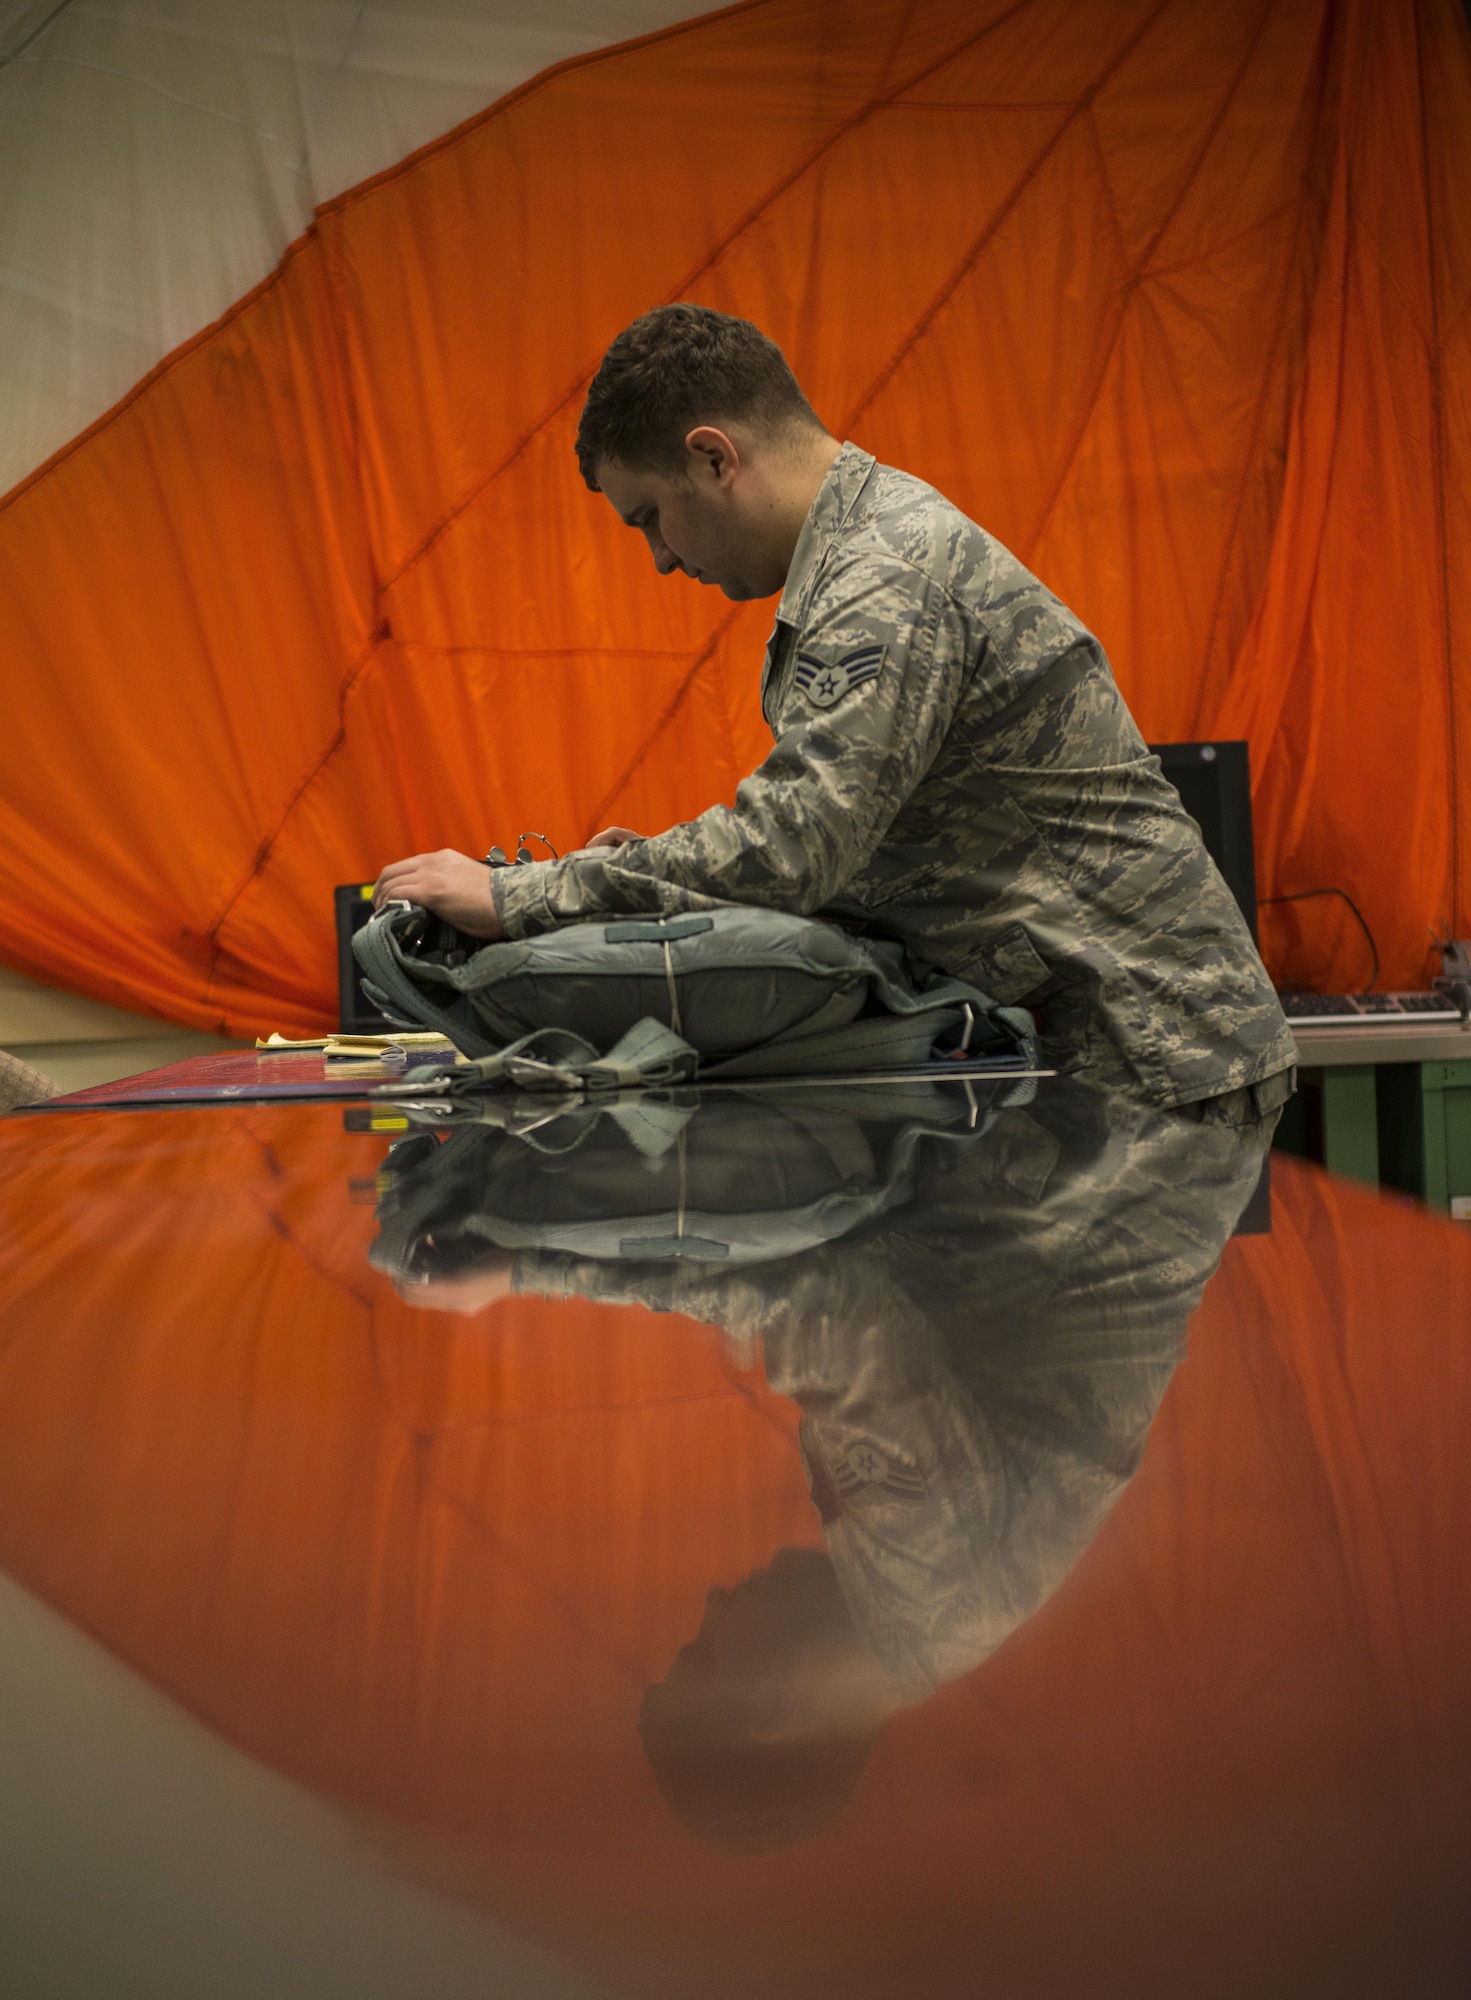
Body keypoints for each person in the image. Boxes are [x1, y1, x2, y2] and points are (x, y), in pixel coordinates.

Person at [373, 305, 1296, 1108]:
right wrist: (629, 882)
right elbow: (868, 854)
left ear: (711, 456)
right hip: (1108, 1044)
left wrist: (518, 895)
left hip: (1151, 1052)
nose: (657, 557)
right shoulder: (856, 552)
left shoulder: (881, 571)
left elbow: (793, 850)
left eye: (648, 515)